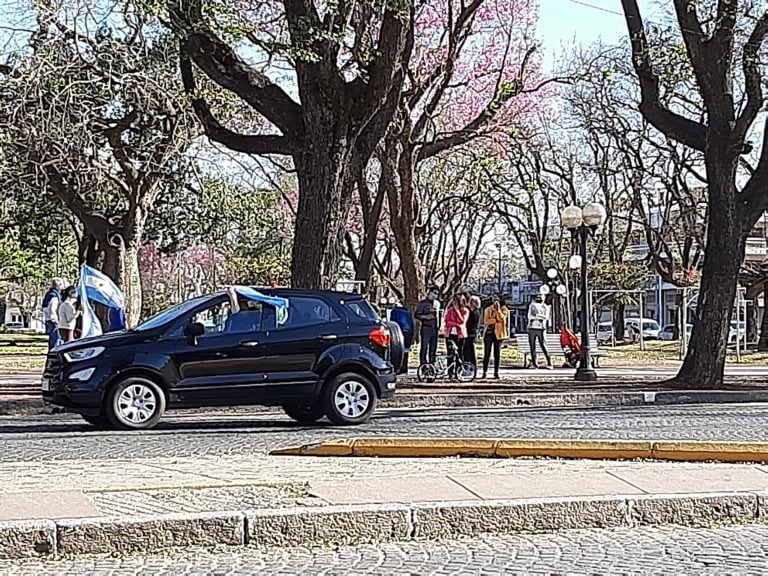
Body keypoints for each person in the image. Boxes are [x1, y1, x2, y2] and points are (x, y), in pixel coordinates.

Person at [482, 295, 508, 379]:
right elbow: (486, 321)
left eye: (497, 299)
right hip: (488, 333)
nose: (495, 301)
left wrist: (498, 310)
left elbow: (501, 318)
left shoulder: (504, 309)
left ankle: (496, 372)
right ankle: (484, 372)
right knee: (487, 353)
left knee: (497, 354)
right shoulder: (487, 309)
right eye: (494, 299)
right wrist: (494, 320)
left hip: (498, 334)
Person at [443, 294, 469, 378]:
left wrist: (457, 311)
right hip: (450, 334)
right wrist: (455, 324)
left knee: (459, 353)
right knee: (450, 353)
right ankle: (450, 372)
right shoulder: (450, 311)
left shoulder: (465, 311)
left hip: (460, 335)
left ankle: (458, 371)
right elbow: (447, 321)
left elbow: (462, 321)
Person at [527, 294, 553, 369]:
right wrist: (539, 316)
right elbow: (530, 316)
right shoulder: (532, 305)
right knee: (532, 346)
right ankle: (534, 363)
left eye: (540, 297)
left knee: (543, 345)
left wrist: (537, 316)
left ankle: (549, 362)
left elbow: (546, 317)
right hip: (532, 328)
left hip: (541, 328)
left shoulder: (545, 306)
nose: (539, 298)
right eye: (537, 297)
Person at [415, 289, 440, 365]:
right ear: (429, 293)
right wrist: (426, 317)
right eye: (434, 293)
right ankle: (423, 365)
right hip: (426, 328)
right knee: (424, 347)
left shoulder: (437, 303)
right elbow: (417, 315)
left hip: (435, 328)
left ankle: (432, 365)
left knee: (433, 349)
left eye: (437, 294)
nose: (435, 295)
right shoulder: (423, 303)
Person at [42, 278, 64, 350]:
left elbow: (45, 308)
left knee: (52, 340)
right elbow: (52, 309)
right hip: (53, 321)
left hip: (48, 320)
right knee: (55, 340)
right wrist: (55, 320)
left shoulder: (48, 294)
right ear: (58, 285)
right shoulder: (54, 296)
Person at [463, 295, 481, 369]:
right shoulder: (469, 310)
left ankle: (472, 366)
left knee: (470, 350)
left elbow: (471, 323)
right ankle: (467, 365)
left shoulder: (475, 312)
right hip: (468, 332)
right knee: (466, 351)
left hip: (471, 332)